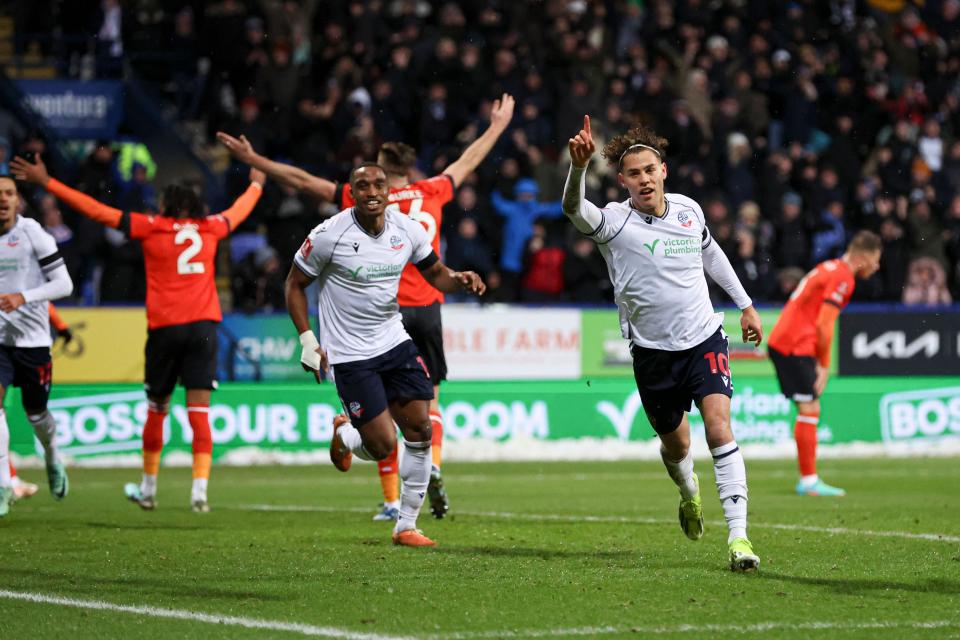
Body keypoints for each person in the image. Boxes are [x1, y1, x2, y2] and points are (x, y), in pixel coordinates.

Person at [218, 93, 515, 521]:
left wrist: (255, 160)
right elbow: (468, 161)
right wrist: (497, 126)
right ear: (410, 168)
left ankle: (394, 501)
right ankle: (431, 465)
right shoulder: (432, 189)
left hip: (392, 311)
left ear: (384, 173)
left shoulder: (359, 198)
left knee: (393, 420)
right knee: (428, 405)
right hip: (426, 306)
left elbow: (302, 180)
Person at [563, 116, 763, 572]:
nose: (644, 179)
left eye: (650, 170)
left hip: (704, 339)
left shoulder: (689, 211)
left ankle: (739, 538)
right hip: (653, 354)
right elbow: (574, 210)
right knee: (677, 447)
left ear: (663, 171)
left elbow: (711, 252)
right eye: (634, 173)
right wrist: (578, 167)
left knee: (719, 429)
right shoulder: (614, 222)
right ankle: (688, 490)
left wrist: (746, 304)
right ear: (623, 181)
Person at [12, 154, 265, 513]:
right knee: (199, 412)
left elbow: (97, 211)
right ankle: (200, 492)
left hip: (165, 328)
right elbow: (239, 210)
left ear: (168, 205)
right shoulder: (211, 226)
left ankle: (148, 489)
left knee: (157, 409)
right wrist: (257, 184)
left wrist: (48, 182)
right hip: (204, 327)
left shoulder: (151, 225)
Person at [285, 163, 485, 547]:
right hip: (349, 354)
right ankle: (344, 434)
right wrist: (308, 341)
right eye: (363, 186)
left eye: (379, 184)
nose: (373, 191)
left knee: (421, 429)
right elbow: (294, 284)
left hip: (394, 342)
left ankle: (406, 526)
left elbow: (436, 273)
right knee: (382, 446)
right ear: (352, 193)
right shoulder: (329, 235)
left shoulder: (406, 229)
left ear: (389, 190)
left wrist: (458, 279)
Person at [767, 231, 882, 497]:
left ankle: (808, 479)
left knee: (809, 407)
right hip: (794, 344)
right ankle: (808, 481)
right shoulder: (843, 278)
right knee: (809, 407)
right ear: (863, 257)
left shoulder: (829, 267)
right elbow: (824, 324)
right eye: (876, 260)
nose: (877, 266)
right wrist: (824, 363)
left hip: (789, 340)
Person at [0, 173, 74, 517]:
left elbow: (64, 285)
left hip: (32, 342)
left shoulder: (32, 233)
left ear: (18, 200)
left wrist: (23, 297)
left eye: (9, 193)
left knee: (37, 414)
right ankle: (4, 485)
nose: (3, 199)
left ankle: (52, 455)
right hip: (0, 341)